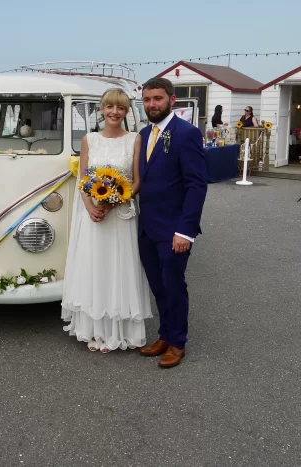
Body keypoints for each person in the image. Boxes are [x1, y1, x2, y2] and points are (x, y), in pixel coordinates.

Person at [61, 88, 152, 353]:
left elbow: (136, 181)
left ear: (126, 112)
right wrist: (90, 207)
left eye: (121, 108)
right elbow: (83, 178)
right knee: (95, 267)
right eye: (110, 107)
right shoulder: (89, 139)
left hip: (120, 215)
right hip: (93, 216)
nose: (114, 112)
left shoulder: (134, 139)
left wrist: (113, 202)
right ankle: (94, 330)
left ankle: (119, 331)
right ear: (101, 109)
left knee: (119, 269)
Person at [137, 78, 208, 368]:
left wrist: (185, 231)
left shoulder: (186, 133)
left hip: (174, 229)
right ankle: (164, 335)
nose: (152, 104)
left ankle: (178, 342)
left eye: (157, 99)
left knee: (173, 285)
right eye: (147, 100)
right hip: (146, 227)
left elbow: (196, 185)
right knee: (158, 285)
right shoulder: (143, 133)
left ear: (171, 100)